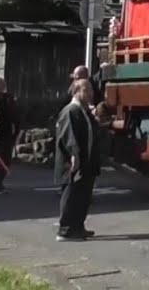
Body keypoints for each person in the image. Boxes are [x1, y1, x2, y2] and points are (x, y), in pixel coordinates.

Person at [55, 79, 100, 241]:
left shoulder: (84, 111)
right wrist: (74, 154)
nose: (90, 93)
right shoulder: (70, 111)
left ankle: (78, 226)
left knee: (84, 195)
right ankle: (66, 230)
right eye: (86, 90)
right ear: (76, 91)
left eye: (91, 90)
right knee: (71, 193)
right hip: (73, 161)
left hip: (87, 161)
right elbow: (68, 135)